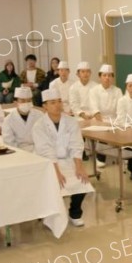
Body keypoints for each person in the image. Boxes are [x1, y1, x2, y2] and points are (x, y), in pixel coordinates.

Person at [32, 89, 92, 227]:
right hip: (47, 163)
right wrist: (56, 172)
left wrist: (79, 167)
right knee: (52, 183)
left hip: (67, 160)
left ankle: (75, 213)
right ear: (45, 106)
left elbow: (76, 144)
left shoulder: (71, 122)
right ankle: (49, 214)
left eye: (59, 101)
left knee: (82, 181)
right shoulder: (39, 125)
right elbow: (45, 150)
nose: (58, 105)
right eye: (53, 102)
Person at [1, 87, 44, 152]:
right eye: (23, 101)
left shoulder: (40, 115)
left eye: (29, 101)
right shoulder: (8, 120)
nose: (26, 103)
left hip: (39, 150)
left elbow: (45, 137)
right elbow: (9, 142)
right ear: (16, 103)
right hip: (18, 152)